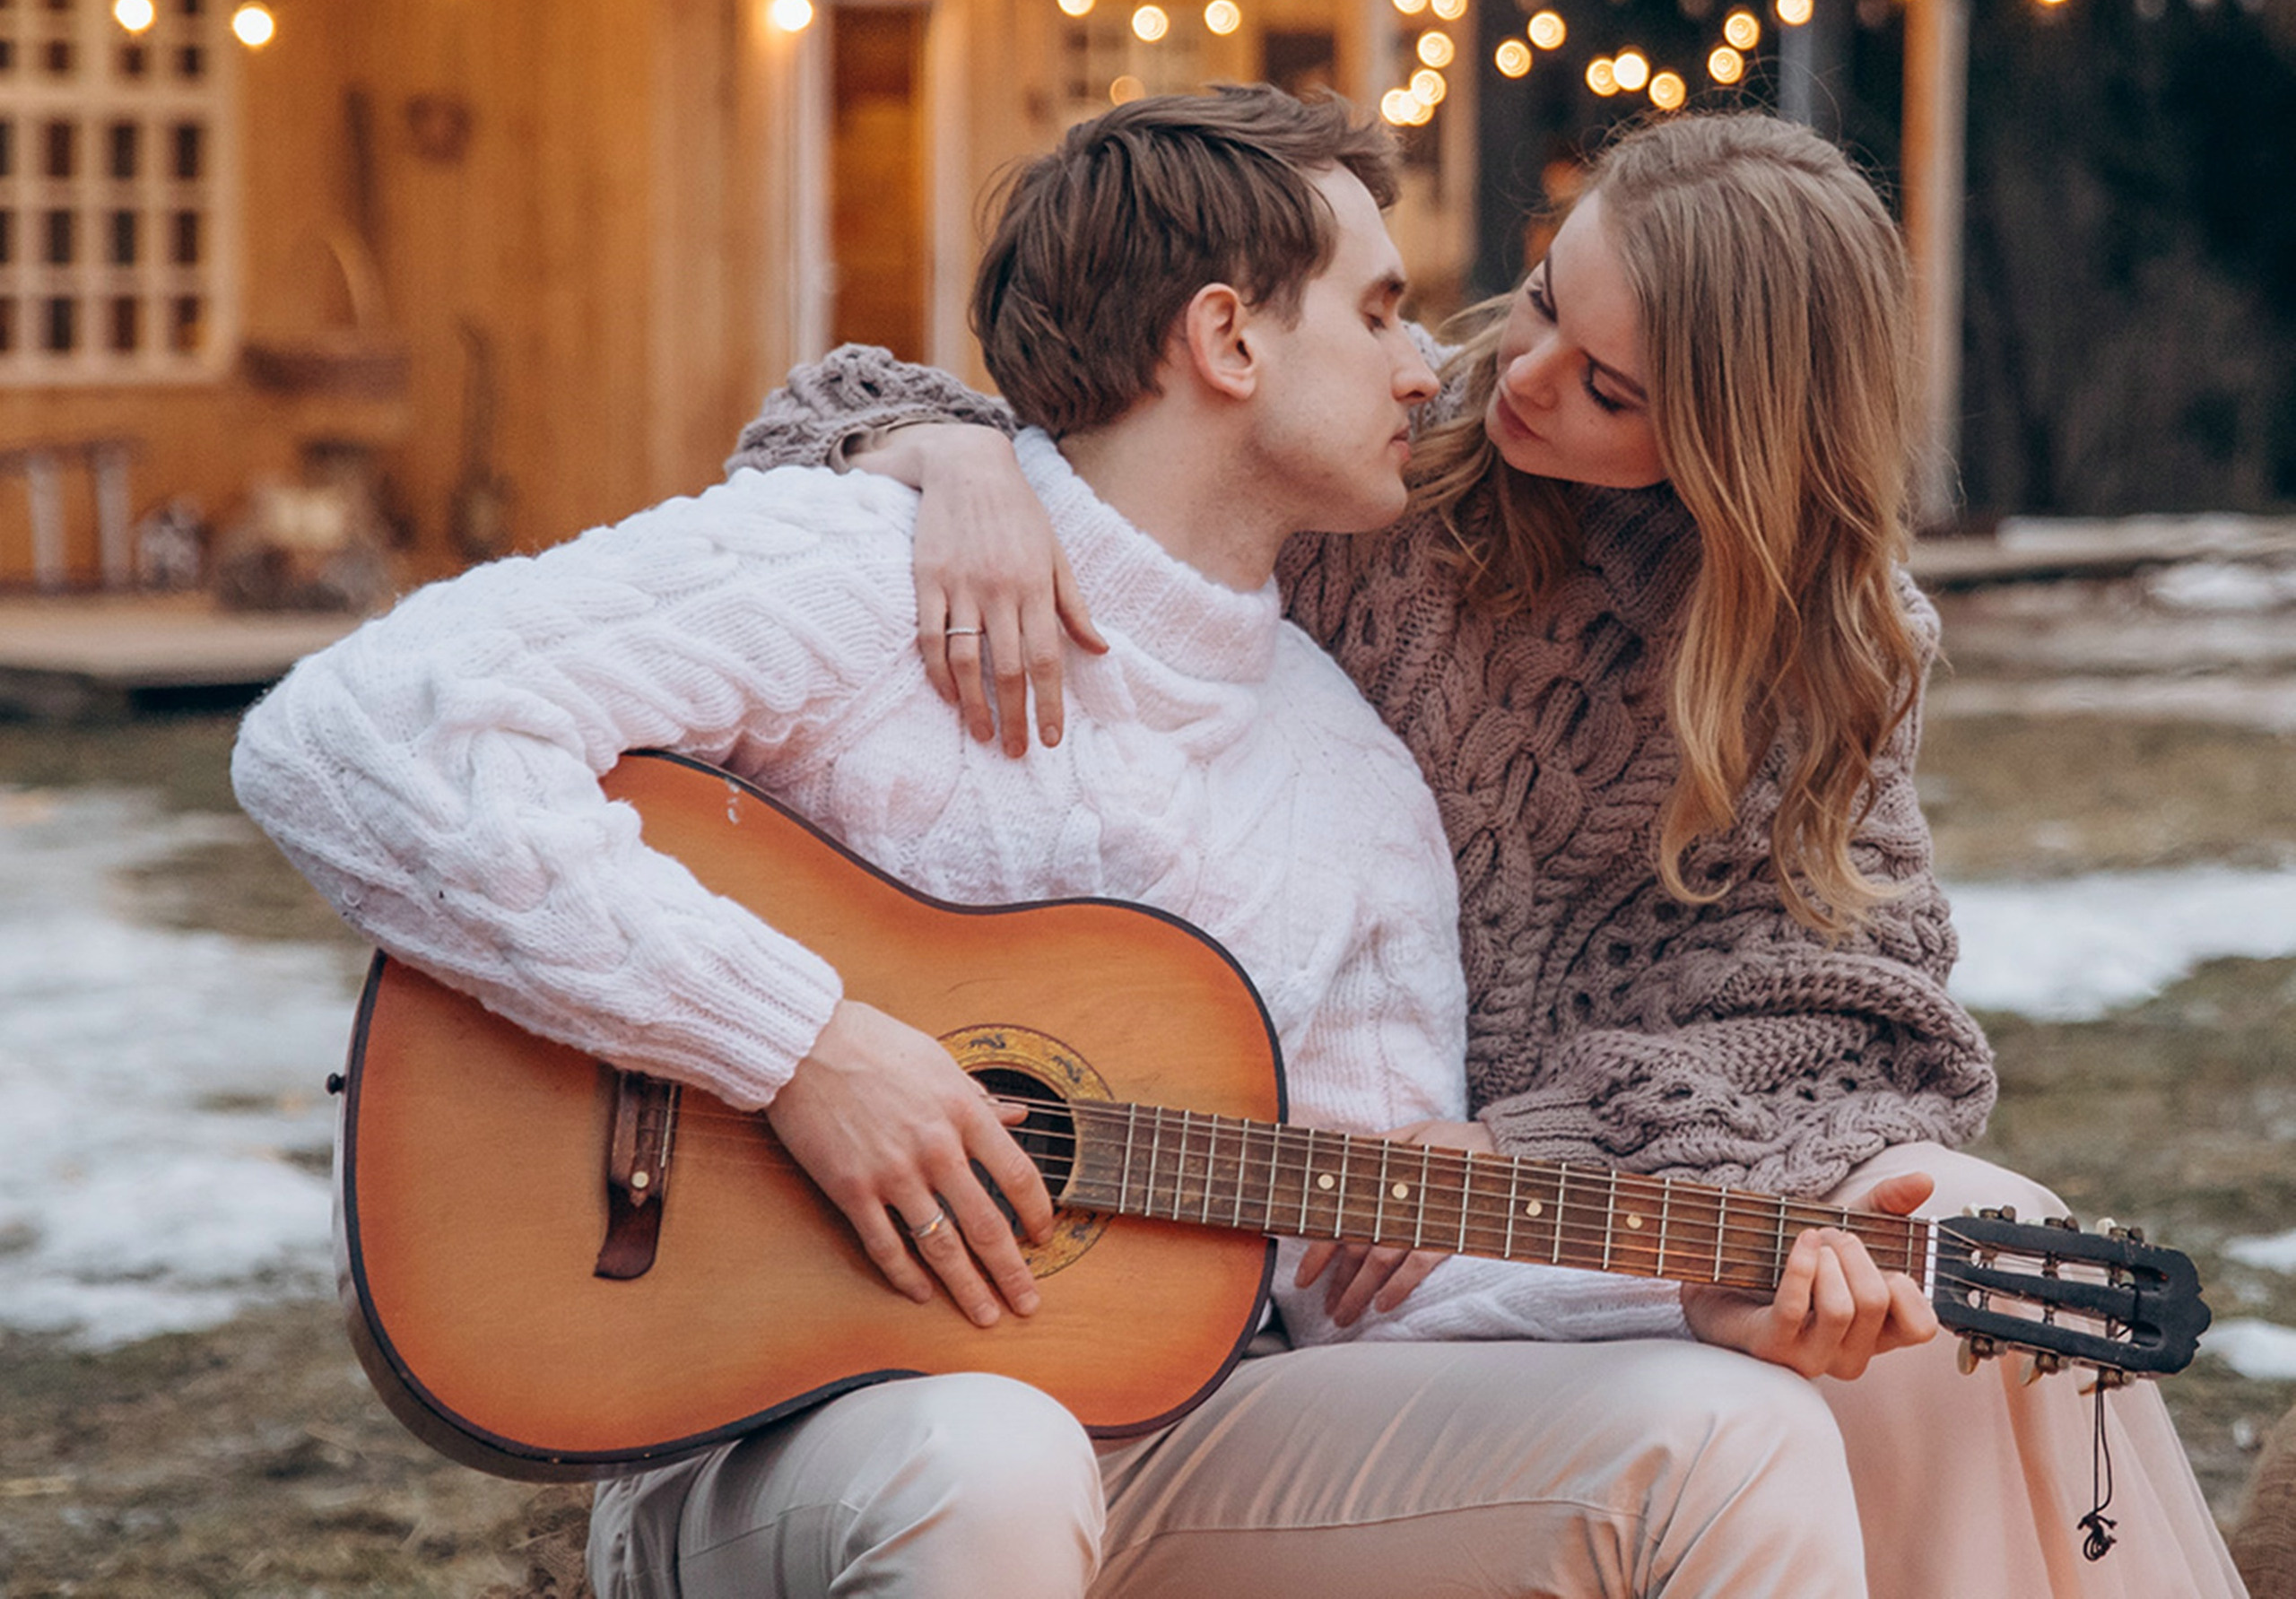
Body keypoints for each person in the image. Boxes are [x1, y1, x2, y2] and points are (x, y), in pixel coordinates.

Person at [232, 88, 1924, 1599]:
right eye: (1384, 308)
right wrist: (805, 1049)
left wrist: (1685, 1286)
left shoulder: (1356, 793)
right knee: (995, 1458)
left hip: (1169, 1436)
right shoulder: (867, 567)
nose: (1440, 367)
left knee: (1728, 1433)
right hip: (770, 1432)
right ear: (1228, 341)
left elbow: (1365, 1283)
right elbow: (355, 733)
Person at [732, 104, 2244, 1599]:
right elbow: (1083, 426)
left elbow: (1867, 1027)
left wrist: (1536, 1141)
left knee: (1972, 1253)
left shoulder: (1832, 654)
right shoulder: (1377, 465)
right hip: (1255, 1151)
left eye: (1607, 387)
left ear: (1734, 443)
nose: (1515, 378)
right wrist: (946, 454)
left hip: (1577, 1185)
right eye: (1539, 301)